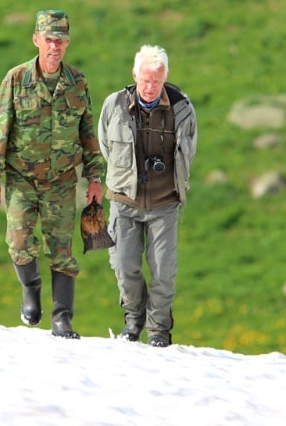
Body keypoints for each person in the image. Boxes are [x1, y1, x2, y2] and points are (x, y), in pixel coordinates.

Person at [0, 10, 104, 340]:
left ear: (68, 43)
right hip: (21, 179)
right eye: (49, 39)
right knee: (19, 243)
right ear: (36, 40)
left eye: (61, 40)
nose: (55, 46)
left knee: (62, 250)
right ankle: (30, 290)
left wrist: (94, 177)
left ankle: (62, 318)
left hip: (62, 181)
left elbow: (87, 130)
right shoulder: (17, 79)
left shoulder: (77, 82)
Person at [98, 44, 197, 347]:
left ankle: (158, 330)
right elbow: (104, 144)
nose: (151, 87)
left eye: (157, 80)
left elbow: (189, 151)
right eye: (145, 80)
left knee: (164, 271)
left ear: (165, 77)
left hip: (163, 204)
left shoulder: (182, 108)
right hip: (124, 202)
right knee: (125, 267)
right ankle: (132, 321)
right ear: (135, 75)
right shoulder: (114, 104)